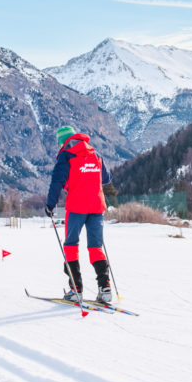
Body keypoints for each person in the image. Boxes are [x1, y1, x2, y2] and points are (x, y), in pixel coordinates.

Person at [44, 126, 113, 303]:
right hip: (97, 206)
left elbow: (57, 182)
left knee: (71, 245)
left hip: (76, 207)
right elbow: (106, 178)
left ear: (62, 141)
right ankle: (105, 290)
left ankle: (76, 290)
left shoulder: (66, 155)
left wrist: (50, 205)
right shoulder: (95, 153)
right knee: (96, 247)